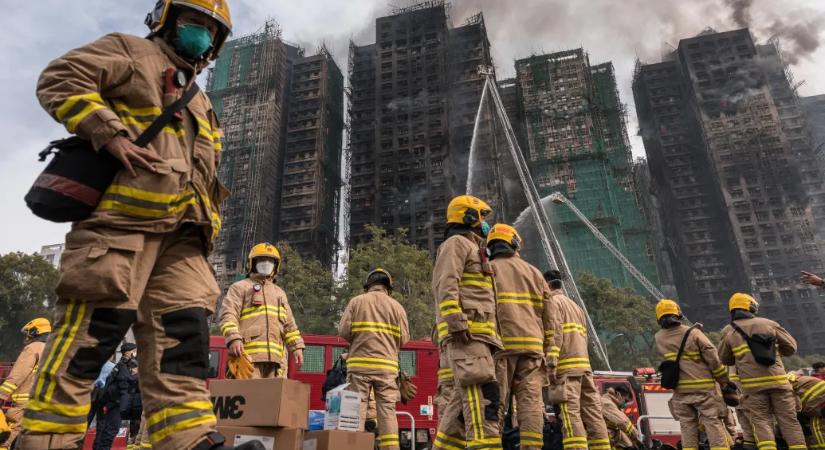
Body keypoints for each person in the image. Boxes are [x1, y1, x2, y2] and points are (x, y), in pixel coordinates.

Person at [21, 1, 264, 448]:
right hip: (122, 227)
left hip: (185, 240)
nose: (202, 34)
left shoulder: (202, 100)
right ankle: (46, 438)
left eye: (211, 30)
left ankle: (189, 439)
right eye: (194, 22)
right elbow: (60, 77)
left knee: (184, 343)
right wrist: (109, 132)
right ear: (166, 19)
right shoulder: (131, 52)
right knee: (92, 336)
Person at [432, 195, 503, 450]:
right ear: (468, 216)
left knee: (458, 412)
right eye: (482, 216)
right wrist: (456, 321)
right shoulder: (457, 243)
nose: (485, 223)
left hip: (479, 337)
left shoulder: (475, 248)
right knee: (481, 400)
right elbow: (446, 283)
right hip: (468, 335)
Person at [486, 224, 551, 450]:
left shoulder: (487, 270)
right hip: (532, 350)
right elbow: (550, 318)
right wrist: (548, 349)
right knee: (531, 405)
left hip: (501, 348)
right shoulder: (535, 273)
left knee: (495, 403)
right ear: (515, 244)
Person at [718, 293, 806, 450]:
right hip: (779, 383)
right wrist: (776, 353)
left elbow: (725, 359)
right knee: (789, 421)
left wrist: (742, 358)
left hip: (753, 388)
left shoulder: (729, 331)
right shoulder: (769, 324)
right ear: (751, 306)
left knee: (761, 422)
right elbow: (791, 347)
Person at [339, 268, 410, 450]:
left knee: (355, 411)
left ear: (368, 285)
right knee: (387, 414)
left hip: (359, 367)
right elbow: (404, 339)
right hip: (387, 369)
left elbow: (344, 332)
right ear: (388, 287)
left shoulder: (356, 302)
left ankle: (354, 447)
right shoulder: (397, 307)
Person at [544, 269, 611, 450]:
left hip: (566, 369)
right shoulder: (576, 307)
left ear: (547, 284)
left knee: (570, 414)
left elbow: (555, 334)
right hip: (584, 369)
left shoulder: (552, 303)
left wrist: (550, 364)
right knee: (593, 415)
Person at [653, 299, 732, 450]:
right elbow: (713, 357)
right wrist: (723, 380)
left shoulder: (659, 338)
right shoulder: (693, 333)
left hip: (680, 392)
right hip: (703, 390)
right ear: (678, 313)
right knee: (712, 423)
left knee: (687, 427)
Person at [219, 243, 305, 378]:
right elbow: (228, 315)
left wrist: (297, 347)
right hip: (248, 357)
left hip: (276, 361)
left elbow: (290, 325)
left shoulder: (280, 293)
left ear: (276, 265)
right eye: (262, 260)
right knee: (248, 391)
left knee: (273, 392)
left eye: (270, 261)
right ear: (253, 263)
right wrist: (234, 338)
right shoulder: (240, 287)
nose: (266, 263)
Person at [0, 318, 50, 450]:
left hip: (24, 403)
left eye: (28, 334)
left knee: (6, 438)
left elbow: (17, 375)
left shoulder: (32, 348)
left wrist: (1, 395)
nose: (26, 338)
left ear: (35, 332)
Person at [93, 343, 139, 450]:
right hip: (116, 402)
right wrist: (137, 375)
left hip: (115, 401)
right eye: (134, 351)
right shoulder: (123, 365)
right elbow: (126, 381)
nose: (135, 353)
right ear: (127, 352)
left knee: (107, 428)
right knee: (112, 429)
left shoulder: (122, 364)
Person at [788, 372, 825, 450]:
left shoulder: (785, 386)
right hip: (818, 401)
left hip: (819, 403)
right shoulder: (798, 380)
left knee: (817, 428)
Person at [600, 386, 639, 450]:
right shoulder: (607, 403)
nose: (625, 404)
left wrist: (629, 445)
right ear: (618, 394)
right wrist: (637, 438)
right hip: (599, 440)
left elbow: (619, 430)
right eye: (625, 401)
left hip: (606, 439)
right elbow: (623, 422)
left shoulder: (614, 404)